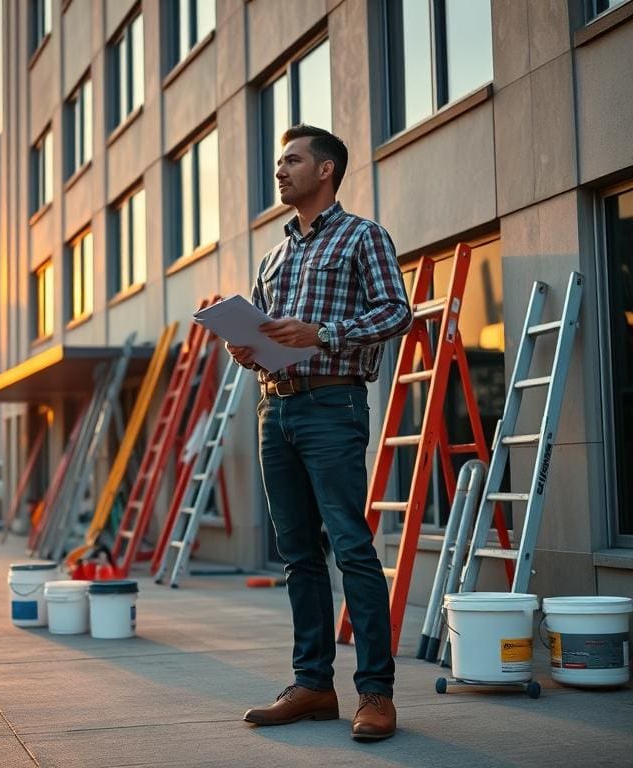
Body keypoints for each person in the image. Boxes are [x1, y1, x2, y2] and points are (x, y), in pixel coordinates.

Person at [227, 124, 411, 741]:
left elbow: (396, 311)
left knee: (352, 548)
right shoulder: (274, 255)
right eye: (279, 162)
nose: (279, 171)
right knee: (299, 555)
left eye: (292, 161)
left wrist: (323, 334)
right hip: (273, 411)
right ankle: (312, 686)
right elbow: (264, 332)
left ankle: (376, 694)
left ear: (325, 170)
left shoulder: (363, 236)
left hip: (333, 407)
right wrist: (246, 348)